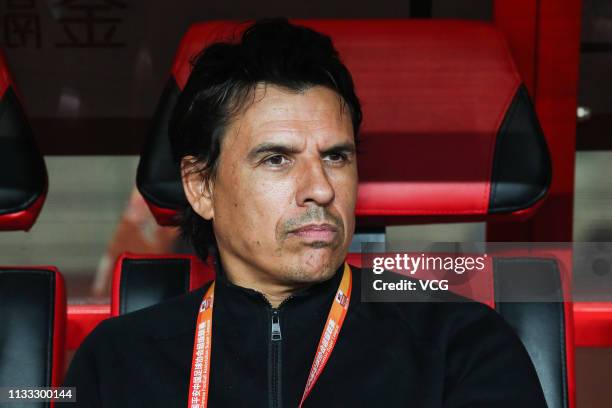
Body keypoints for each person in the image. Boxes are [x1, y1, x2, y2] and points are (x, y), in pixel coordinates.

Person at [62, 18, 548, 407]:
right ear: (200, 186)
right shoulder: (116, 363)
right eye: (276, 159)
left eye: (337, 157)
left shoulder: (461, 347)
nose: (320, 189)